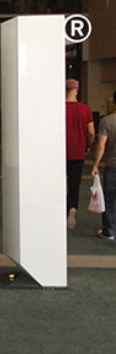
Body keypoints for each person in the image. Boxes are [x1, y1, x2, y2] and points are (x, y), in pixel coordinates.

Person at [65, 79, 94, 229]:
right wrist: (88, 145)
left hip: (61, 153)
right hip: (78, 152)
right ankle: (72, 208)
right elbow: (91, 132)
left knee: (60, 183)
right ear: (77, 90)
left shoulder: (59, 108)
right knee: (74, 184)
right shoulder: (85, 109)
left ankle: (60, 211)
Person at [91, 89, 116, 240]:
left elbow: (101, 145)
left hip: (112, 166)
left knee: (109, 198)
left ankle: (109, 231)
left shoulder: (107, 121)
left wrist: (95, 165)